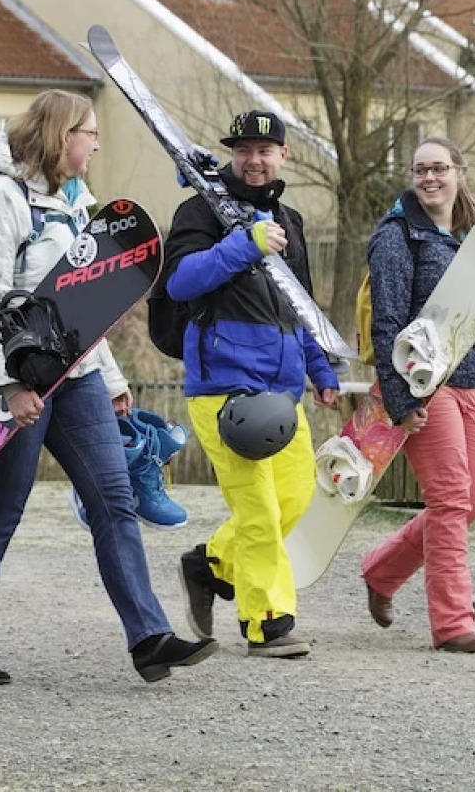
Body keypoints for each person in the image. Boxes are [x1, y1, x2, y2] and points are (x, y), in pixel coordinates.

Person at [0, 89, 218, 685]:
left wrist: (111, 380)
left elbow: (86, 306)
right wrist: (10, 385)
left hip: (78, 377)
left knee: (113, 500)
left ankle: (149, 638)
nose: (96, 143)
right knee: (0, 512)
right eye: (89, 132)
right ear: (62, 134)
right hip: (5, 384)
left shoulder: (74, 206)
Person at [168, 109, 340, 657]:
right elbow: (181, 282)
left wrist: (320, 369)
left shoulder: (290, 219)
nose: (254, 159)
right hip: (224, 388)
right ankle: (267, 623)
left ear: (283, 155)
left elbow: (300, 305)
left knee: (296, 498)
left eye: (265, 151)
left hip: (283, 390)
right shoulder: (199, 212)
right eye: (243, 150)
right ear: (232, 156)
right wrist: (245, 243)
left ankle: (211, 564)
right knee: (260, 512)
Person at [360, 136, 475, 653]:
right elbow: (388, 321)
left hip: (471, 387)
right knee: (451, 500)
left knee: (467, 506)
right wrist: (400, 401)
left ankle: (381, 572)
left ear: (460, 172)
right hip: (424, 389)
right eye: (419, 170)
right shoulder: (397, 237)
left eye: (438, 168)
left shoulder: (472, 240)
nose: (429, 178)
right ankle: (454, 623)